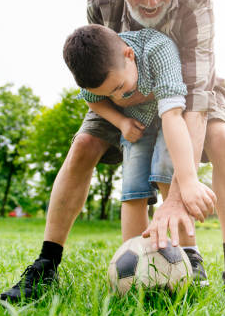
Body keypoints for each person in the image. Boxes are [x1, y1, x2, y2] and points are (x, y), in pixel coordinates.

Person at [0, 0, 225, 302]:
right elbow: (99, 78)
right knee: (82, 147)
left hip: (187, 93)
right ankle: (45, 267)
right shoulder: (100, 1)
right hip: (122, 92)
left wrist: (178, 195)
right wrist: (121, 115)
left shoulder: (198, 5)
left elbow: (192, 102)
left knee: (224, 139)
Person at [63, 24, 213, 288]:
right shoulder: (96, 74)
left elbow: (173, 116)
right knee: (132, 190)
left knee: (169, 175)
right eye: (109, 93)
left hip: (170, 118)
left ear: (129, 55)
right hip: (136, 127)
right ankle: (134, 261)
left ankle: (190, 255)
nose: (118, 96)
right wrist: (120, 121)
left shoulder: (158, 49)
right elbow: (92, 100)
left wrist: (188, 180)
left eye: (119, 86)